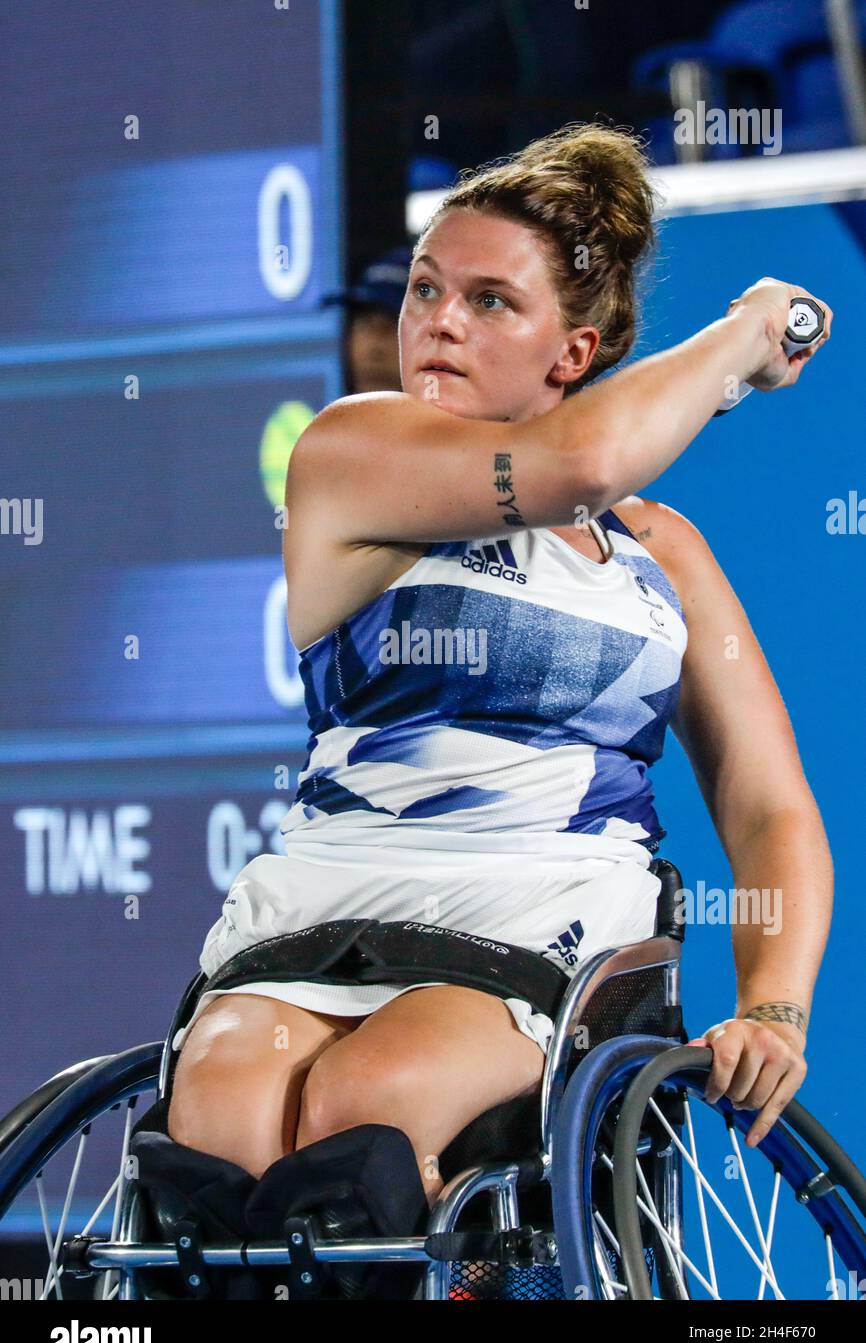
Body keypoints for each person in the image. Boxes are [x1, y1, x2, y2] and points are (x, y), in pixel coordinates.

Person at [168, 123, 833, 1214]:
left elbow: (767, 809)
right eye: (425, 289)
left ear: (569, 354)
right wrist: (744, 340)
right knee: (224, 1108)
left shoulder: (662, 555)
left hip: (545, 917)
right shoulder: (349, 450)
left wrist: (771, 1007)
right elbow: (578, 460)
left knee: (367, 1104)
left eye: (487, 302)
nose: (434, 321)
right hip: (322, 898)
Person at [325, 247, 412, 395]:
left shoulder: (454, 417)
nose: (374, 348)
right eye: (365, 325)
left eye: (394, 326)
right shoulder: (322, 417)